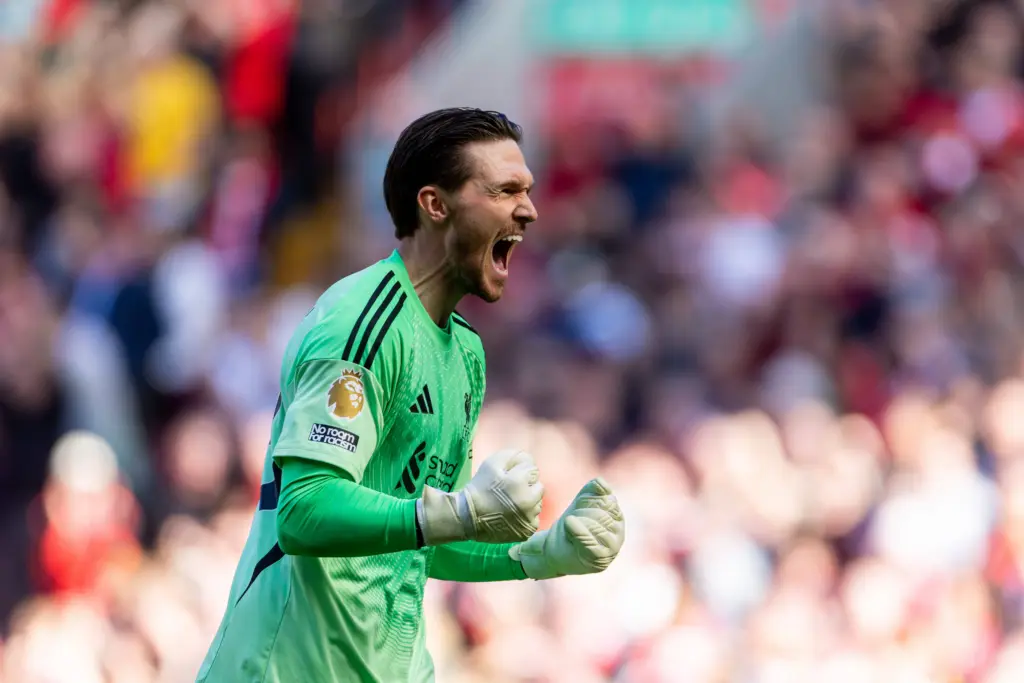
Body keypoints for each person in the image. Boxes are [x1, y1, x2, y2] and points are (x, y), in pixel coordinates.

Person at [196, 108, 626, 683]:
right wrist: (459, 511)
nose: (529, 210)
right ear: (435, 205)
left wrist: (541, 554)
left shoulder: (465, 352)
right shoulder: (362, 326)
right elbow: (305, 510)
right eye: (503, 191)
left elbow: (424, 537)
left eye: (527, 191)